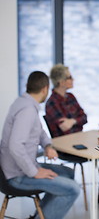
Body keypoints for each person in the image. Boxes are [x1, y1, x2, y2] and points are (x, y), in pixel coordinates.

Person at [0, 71, 80, 219]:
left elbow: (40, 131)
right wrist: (34, 172)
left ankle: (41, 215)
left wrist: (48, 146)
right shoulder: (27, 110)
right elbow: (15, 146)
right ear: (45, 89)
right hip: (16, 175)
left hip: (21, 168)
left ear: (27, 86)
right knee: (73, 189)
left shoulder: (24, 102)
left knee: (67, 173)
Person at [44, 64, 99, 204]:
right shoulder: (51, 103)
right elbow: (64, 129)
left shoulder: (71, 97)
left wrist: (72, 121)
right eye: (69, 77)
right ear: (61, 82)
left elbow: (84, 118)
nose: (72, 79)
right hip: (66, 148)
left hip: (80, 141)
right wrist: (76, 122)